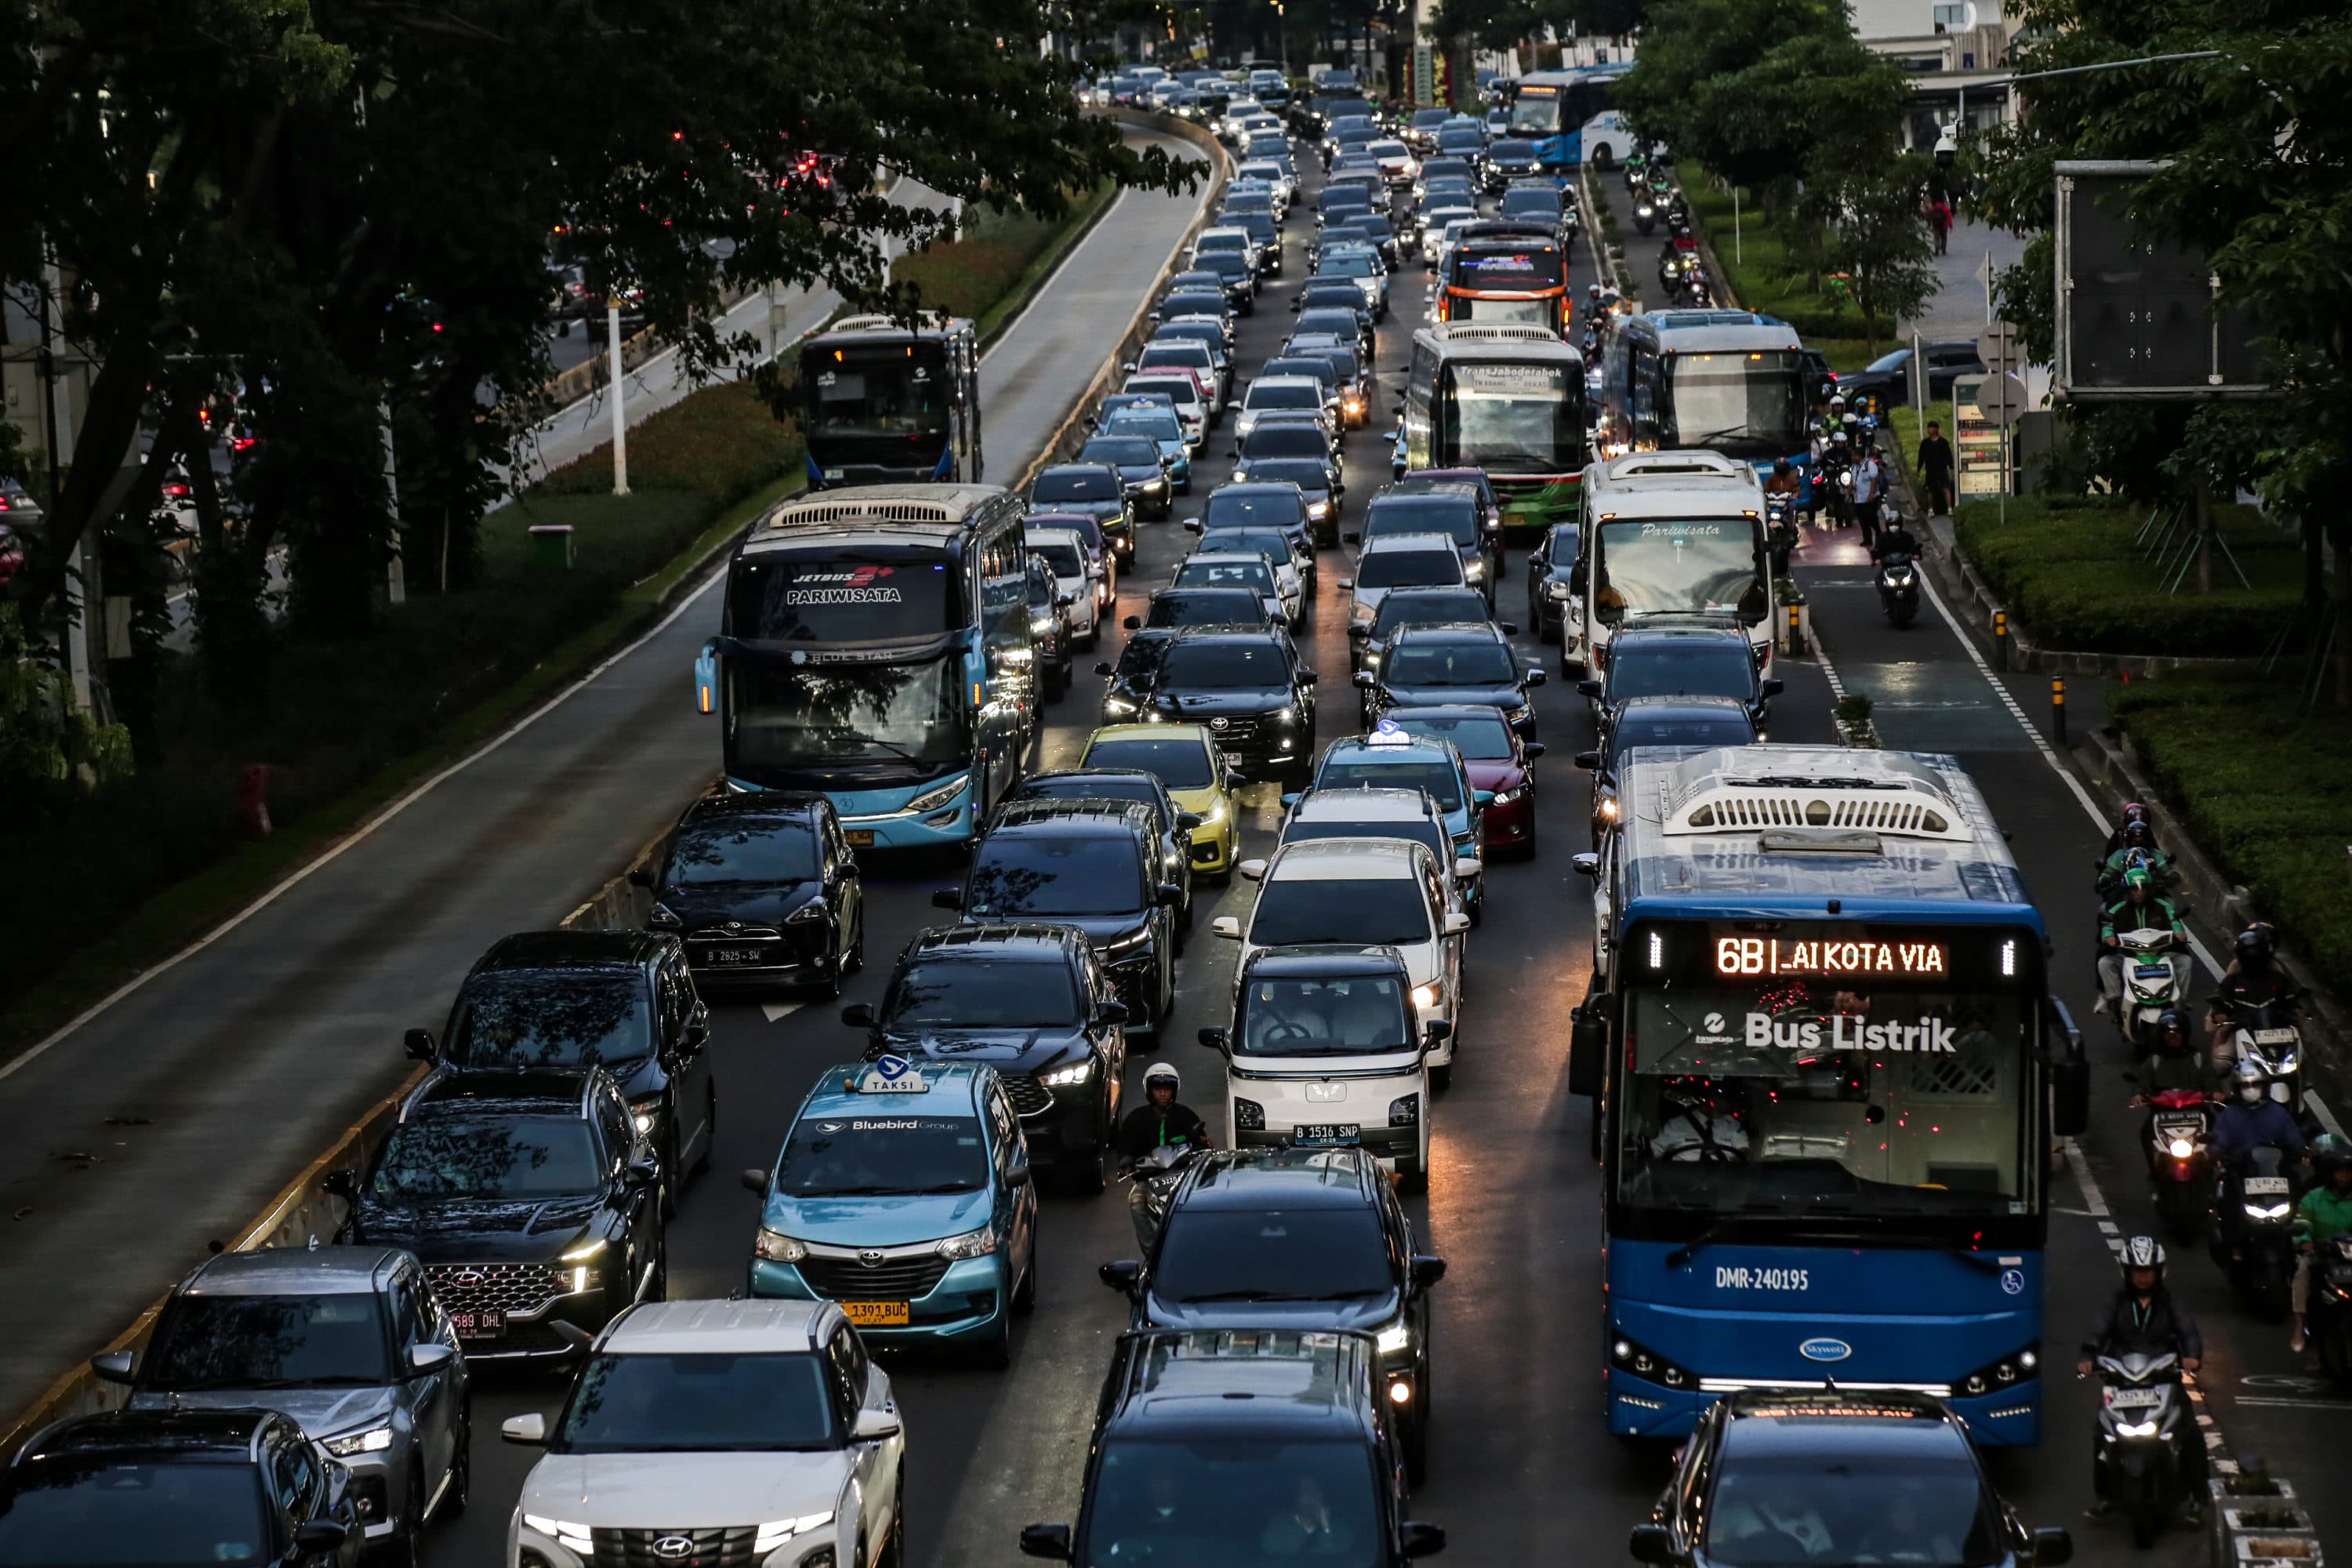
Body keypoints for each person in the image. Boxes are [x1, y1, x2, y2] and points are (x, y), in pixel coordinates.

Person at [2079, 1236, 2207, 1523]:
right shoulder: (2116, 1301)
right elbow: (2098, 1329)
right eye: (2137, 1271)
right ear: (2127, 1272)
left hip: (2163, 1378)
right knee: (2101, 1434)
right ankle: (2105, 1497)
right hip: (2121, 1381)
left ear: (2159, 1272)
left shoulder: (2171, 1302)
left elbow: (2188, 1330)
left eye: (2148, 1270)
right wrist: (2089, 1356)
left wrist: (2192, 1356)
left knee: (2191, 1433)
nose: (2142, 1276)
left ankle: (2199, 1500)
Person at [2207, 924, 2305, 1073]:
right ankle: (2228, 1093)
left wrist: (2296, 1010)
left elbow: (2290, 999)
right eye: (2248, 953)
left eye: (2256, 953)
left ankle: (2303, 1080)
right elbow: (2221, 999)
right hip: (2243, 1029)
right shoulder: (2232, 981)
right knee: (2222, 1063)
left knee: (2300, 1057)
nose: (2253, 958)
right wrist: (2220, 1012)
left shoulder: (2278, 978)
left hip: (2276, 1029)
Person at [2096, 866, 2191, 1017]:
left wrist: (2179, 934)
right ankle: (2113, 999)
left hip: (2159, 954)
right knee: (2105, 963)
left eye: (2143, 889)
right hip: (2129, 956)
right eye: (2134, 889)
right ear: (2128, 890)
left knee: (2185, 961)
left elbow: (2174, 921)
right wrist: (2109, 937)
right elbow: (2108, 925)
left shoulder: (2163, 906)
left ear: (2149, 890)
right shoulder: (2117, 909)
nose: (2139, 893)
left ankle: (2180, 1001)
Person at [2289, 1135, 2352, 1359]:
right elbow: (2302, 1222)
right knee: (2302, 1275)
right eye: (2340, 1171)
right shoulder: (2314, 1198)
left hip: (2350, 1258)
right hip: (2321, 1255)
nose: (2344, 1176)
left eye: (2348, 1171)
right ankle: (2300, 1324)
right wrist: (2305, 1241)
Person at [2209, 1058, 2305, 1165]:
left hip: (2276, 1171)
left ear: (2264, 1086)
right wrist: (2213, 1154)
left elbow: (2294, 1138)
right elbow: (2219, 1141)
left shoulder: (2278, 1112)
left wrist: (2304, 1150)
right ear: (2237, 1088)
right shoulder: (2228, 1115)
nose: (2251, 1090)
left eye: (2256, 1084)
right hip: (2241, 1174)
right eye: (2245, 1086)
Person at [1117, 1062, 1210, 1163]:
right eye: (1157, 1089)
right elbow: (1124, 1147)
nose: (1162, 1094)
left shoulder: (1186, 1116)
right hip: (1146, 1175)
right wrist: (1125, 1160)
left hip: (1181, 1173)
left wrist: (1205, 1142)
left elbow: (1202, 1144)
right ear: (1149, 1090)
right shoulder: (1135, 1119)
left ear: (1174, 1091)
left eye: (1167, 1089)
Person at [1261, 1475, 1359, 1558]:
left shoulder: (1341, 1531)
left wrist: (1326, 1529)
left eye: (1316, 1490)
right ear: (1296, 1497)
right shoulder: (1278, 1529)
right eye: (1306, 1490)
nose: (1312, 1495)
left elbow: (1338, 1561)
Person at [1915, 419, 1955, 516]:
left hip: (1942, 470)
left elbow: (1948, 455)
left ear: (1936, 429)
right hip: (1930, 471)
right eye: (1929, 428)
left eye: (1931, 428)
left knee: (1946, 489)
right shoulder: (1925, 443)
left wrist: (1951, 467)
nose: (1929, 430)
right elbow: (1921, 457)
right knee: (1930, 491)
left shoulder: (1943, 442)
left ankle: (1950, 509)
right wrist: (1919, 469)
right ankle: (1930, 510)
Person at [1849, 445, 1886, 547]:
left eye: (1853, 456)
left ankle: (1878, 533)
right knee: (1862, 520)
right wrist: (1848, 492)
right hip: (1858, 498)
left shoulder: (1870, 465)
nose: (1852, 458)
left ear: (1859, 456)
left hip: (1870, 498)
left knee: (1871, 517)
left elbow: (1874, 480)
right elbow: (1853, 480)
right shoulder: (1854, 467)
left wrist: (1871, 494)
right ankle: (1867, 539)